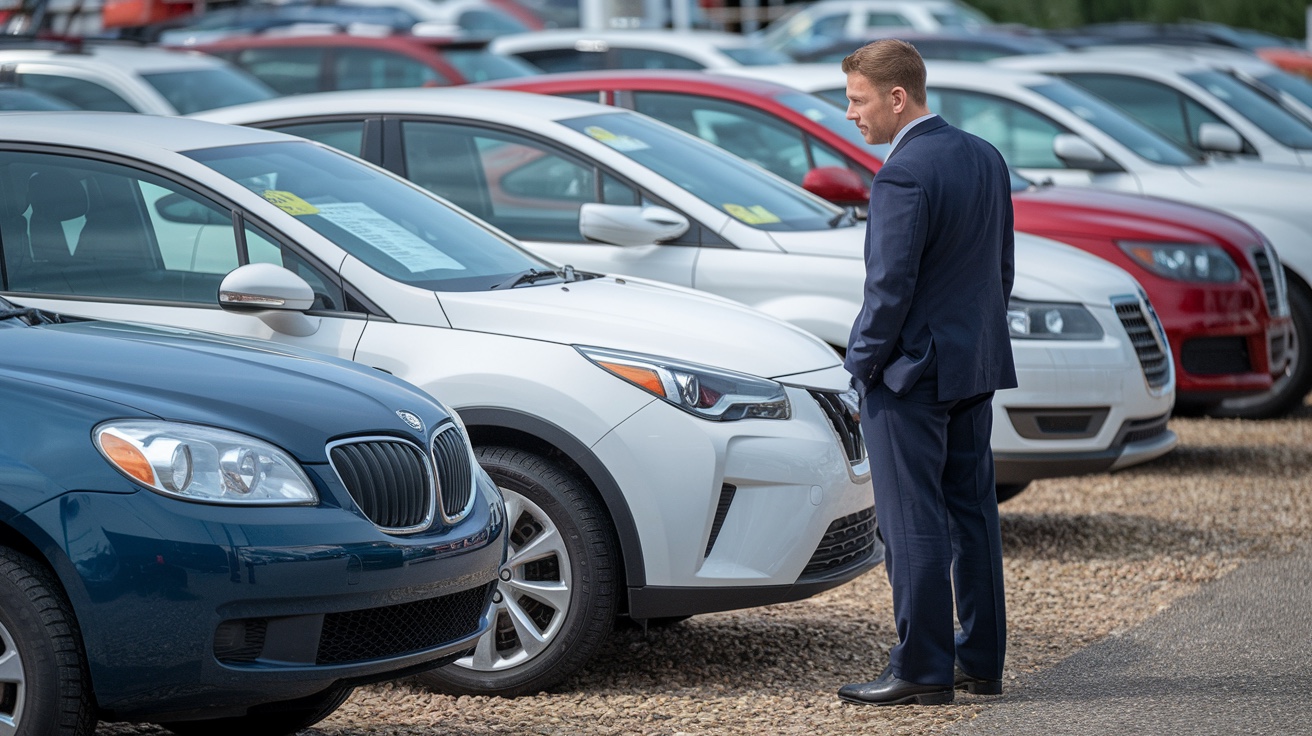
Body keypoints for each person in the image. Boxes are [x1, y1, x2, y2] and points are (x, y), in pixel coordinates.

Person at [837, 39, 1016, 707]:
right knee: (972, 516)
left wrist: (862, 368)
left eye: (857, 99)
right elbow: (1000, 272)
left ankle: (922, 668)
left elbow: (889, 289)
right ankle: (981, 661)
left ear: (896, 97)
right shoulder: (986, 157)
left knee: (911, 521)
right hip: (974, 366)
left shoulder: (903, 174)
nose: (849, 112)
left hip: (910, 376)